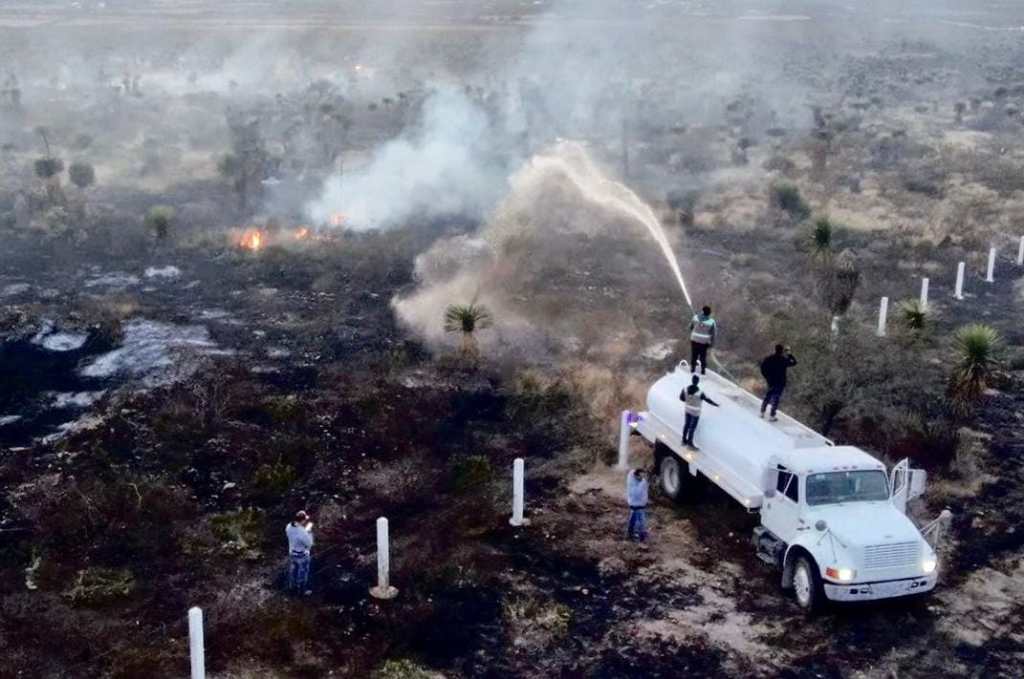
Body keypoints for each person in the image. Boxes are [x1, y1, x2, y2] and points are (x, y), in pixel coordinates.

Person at [760, 344, 798, 421]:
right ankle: (772, 415)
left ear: (775, 349)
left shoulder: (769, 358)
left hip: (771, 381)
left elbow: (762, 367)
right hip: (780, 382)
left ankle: (762, 412)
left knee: (768, 396)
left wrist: (767, 377)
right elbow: (794, 362)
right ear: (782, 351)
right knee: (776, 399)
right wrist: (789, 354)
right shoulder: (783, 360)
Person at [680, 374, 719, 448]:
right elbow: (708, 400)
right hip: (695, 413)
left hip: (687, 410)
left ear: (692, 380)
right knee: (692, 428)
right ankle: (690, 443)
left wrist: (688, 399)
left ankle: (684, 440)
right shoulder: (700, 393)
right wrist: (716, 405)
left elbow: (681, 398)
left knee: (686, 425)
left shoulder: (684, 389)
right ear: (698, 382)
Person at [285, 510, 314, 595]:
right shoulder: (302, 532)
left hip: (292, 553)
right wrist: (309, 531)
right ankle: (302, 591)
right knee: (303, 573)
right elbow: (309, 544)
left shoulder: (289, 526)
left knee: (293, 571)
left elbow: (295, 535)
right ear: (302, 520)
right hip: (302, 555)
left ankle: (291, 588)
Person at [689, 305, 716, 375]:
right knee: (703, 356)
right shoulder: (711, 322)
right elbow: (713, 334)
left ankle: (692, 369)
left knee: (694, 355)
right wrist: (712, 344)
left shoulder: (695, 317)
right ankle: (703, 370)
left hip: (694, 340)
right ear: (709, 313)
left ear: (702, 311)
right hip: (704, 342)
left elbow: (690, 327)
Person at [625, 468, 649, 542]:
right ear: (636, 476)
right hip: (636, 504)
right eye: (641, 477)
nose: (642, 478)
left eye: (643, 476)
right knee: (641, 521)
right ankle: (641, 537)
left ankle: (629, 533)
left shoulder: (637, 479)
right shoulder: (634, 483)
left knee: (633, 519)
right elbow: (636, 494)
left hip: (637, 504)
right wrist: (642, 484)